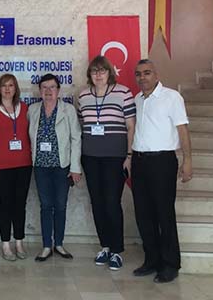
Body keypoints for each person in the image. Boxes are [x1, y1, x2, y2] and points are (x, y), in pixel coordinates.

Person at [131, 59, 193, 283]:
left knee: (163, 214)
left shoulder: (172, 97)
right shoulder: (137, 99)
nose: (142, 77)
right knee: (143, 214)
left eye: (147, 73)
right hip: (139, 161)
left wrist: (187, 160)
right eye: (138, 74)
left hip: (162, 162)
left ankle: (170, 264)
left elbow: (182, 129)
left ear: (156, 75)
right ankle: (152, 259)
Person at [77, 56, 135, 270]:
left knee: (112, 202)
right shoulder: (83, 96)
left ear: (109, 72)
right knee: (97, 202)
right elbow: (82, 124)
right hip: (90, 157)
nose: (98, 75)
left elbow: (131, 126)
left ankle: (117, 250)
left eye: (102, 70)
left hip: (115, 158)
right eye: (94, 71)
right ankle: (105, 246)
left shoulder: (123, 93)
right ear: (89, 75)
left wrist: (129, 156)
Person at [28, 74, 82, 262]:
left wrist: (75, 167)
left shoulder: (68, 110)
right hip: (40, 166)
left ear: (58, 90)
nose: (48, 91)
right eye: (44, 87)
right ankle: (46, 245)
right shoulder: (33, 110)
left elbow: (76, 138)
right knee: (45, 205)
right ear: (39, 90)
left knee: (60, 205)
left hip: (62, 166)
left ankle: (58, 243)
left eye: (52, 87)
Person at [0, 74, 32, 261]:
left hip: (24, 164)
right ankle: (5, 244)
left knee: (20, 204)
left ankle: (19, 241)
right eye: (4, 85)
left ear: (15, 88)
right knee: (5, 204)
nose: (7, 89)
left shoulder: (24, 108)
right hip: (2, 166)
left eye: (11, 85)